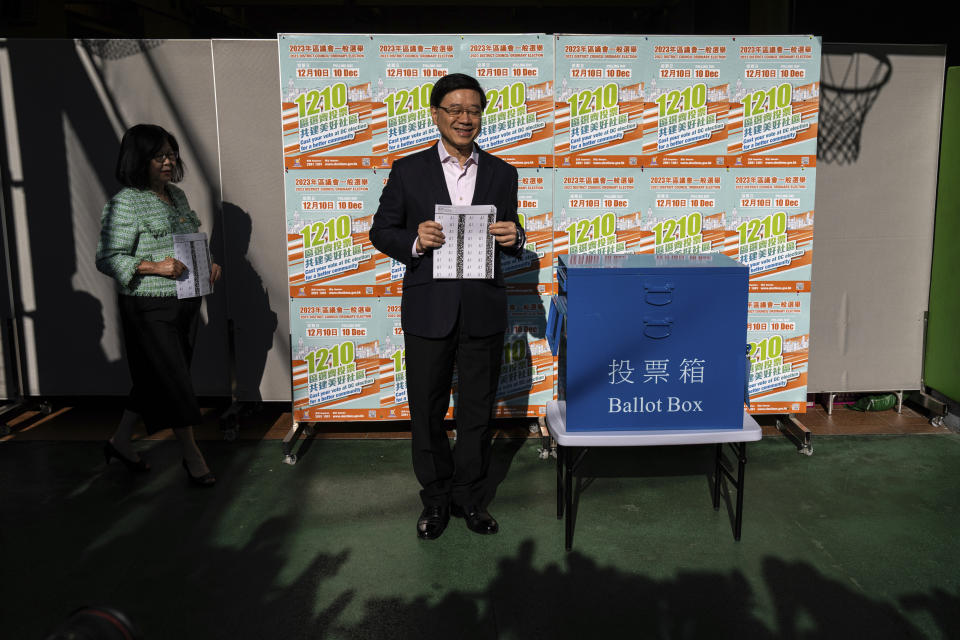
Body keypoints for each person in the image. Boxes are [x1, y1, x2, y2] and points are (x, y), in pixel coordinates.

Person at [369, 74, 525, 539]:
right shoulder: (408, 170)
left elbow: (513, 232)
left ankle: (470, 499)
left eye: (473, 110)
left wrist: (516, 237)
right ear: (435, 113)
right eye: (455, 109)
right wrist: (414, 241)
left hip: (483, 309)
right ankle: (435, 501)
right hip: (428, 309)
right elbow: (381, 231)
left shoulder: (502, 172)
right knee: (428, 410)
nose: (465, 118)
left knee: (478, 412)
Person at [95, 124, 221, 487]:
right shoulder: (125, 202)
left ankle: (120, 441)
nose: (168, 161)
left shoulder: (177, 196)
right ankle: (192, 456)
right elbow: (107, 258)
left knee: (155, 379)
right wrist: (154, 266)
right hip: (148, 306)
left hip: (185, 300)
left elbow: (191, 239)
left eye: (171, 154)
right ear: (140, 159)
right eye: (159, 156)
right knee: (175, 380)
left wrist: (208, 261)